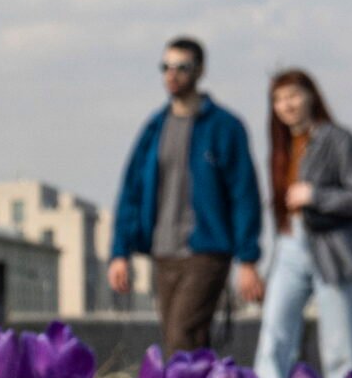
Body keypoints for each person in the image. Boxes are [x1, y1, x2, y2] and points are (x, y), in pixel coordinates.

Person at [108, 37, 264, 356]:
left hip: (207, 251)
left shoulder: (225, 127)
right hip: (162, 252)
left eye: (182, 67)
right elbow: (131, 192)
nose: (172, 74)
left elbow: (244, 193)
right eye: (166, 67)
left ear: (200, 70)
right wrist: (119, 251)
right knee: (184, 340)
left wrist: (247, 258)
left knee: (182, 335)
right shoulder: (154, 128)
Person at [250, 69, 352, 378]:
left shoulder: (338, 139)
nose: (286, 105)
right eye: (278, 99)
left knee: (340, 349)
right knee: (273, 337)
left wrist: (316, 196)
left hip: (333, 250)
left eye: (293, 95)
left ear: (311, 95)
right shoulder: (282, 147)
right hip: (289, 244)